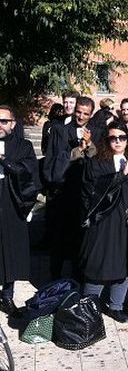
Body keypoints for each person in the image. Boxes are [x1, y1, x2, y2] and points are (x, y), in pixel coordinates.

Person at [80, 122, 128, 323]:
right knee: (97, 264)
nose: (118, 141)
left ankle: (116, 305)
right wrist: (121, 176)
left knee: (124, 264)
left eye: (122, 137)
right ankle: (89, 306)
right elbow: (93, 191)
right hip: (102, 221)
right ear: (107, 140)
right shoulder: (96, 162)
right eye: (113, 138)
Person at [43, 96, 101, 281]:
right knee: (59, 240)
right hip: (62, 192)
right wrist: (76, 152)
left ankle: (78, 278)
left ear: (91, 114)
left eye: (86, 114)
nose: (81, 116)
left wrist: (89, 146)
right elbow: (52, 162)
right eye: (78, 112)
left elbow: (100, 162)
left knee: (80, 240)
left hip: (84, 195)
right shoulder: (60, 130)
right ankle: (55, 279)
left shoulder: (96, 132)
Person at [0, 105, 41, 316]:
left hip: (12, 200)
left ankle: (7, 295)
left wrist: (5, 162)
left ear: (13, 124)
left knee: (11, 249)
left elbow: (29, 172)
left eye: (4, 121)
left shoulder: (22, 145)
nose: (0, 125)